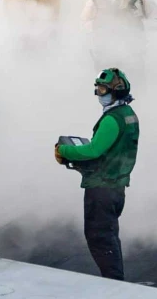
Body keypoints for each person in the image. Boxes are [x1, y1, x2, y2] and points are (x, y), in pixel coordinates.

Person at [54, 68, 139, 280]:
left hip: (102, 188)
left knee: (100, 239)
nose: (99, 94)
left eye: (102, 89)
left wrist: (64, 150)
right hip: (116, 187)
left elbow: (94, 150)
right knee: (109, 237)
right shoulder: (129, 115)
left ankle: (114, 285)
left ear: (116, 91)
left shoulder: (112, 119)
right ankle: (115, 279)